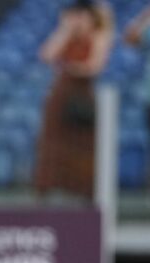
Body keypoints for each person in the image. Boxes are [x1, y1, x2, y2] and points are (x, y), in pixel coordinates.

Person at [35, 0, 113, 200]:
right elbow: (46, 55)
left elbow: (94, 66)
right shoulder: (67, 34)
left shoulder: (99, 35)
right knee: (54, 146)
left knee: (82, 146)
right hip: (61, 95)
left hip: (82, 97)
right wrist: (65, 30)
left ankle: (83, 194)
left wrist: (68, 67)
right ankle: (50, 191)